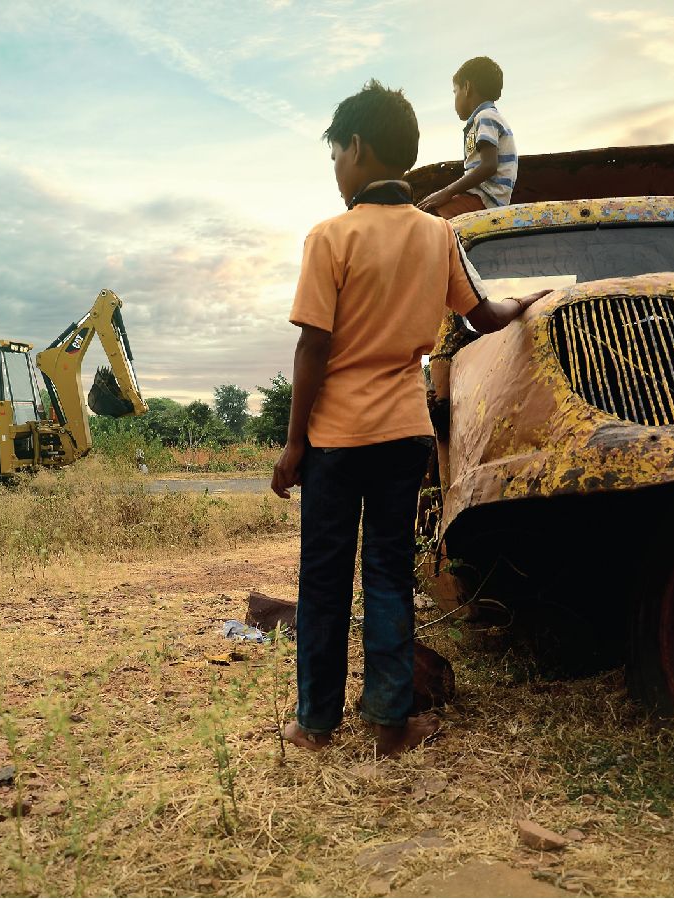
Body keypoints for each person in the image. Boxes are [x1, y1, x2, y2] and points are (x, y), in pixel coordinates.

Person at [271, 80, 543, 757]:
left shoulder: (329, 237)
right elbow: (481, 314)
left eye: (336, 156)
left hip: (335, 439)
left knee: (324, 577)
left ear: (357, 149)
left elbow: (313, 345)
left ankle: (315, 721)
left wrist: (293, 440)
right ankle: (390, 722)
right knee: (389, 573)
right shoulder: (437, 235)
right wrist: (525, 304)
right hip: (402, 434)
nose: (335, 170)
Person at [416, 57, 517, 218]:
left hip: (483, 199)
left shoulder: (486, 117)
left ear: (467, 87)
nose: (455, 98)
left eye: (455, 91)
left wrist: (447, 192)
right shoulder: (486, 117)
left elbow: (489, 166)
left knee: (429, 218)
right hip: (479, 197)